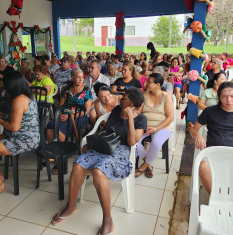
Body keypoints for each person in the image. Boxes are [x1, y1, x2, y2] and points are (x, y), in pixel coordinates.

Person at [51, 87, 147, 235]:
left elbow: (131, 142)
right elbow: (106, 130)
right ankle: (71, 206)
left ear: (133, 103)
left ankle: (108, 220)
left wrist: (131, 120)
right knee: (78, 165)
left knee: (98, 171)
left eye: (125, 97)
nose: (121, 99)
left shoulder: (141, 119)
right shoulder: (116, 110)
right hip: (105, 146)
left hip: (121, 152)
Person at [189, 82, 233, 213]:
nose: (229, 100)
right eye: (224, 97)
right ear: (219, 97)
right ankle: (217, 200)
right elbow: (193, 130)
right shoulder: (210, 111)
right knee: (203, 166)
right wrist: (198, 136)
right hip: (214, 153)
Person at [0, 71, 40, 202]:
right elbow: (16, 117)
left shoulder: (19, 100)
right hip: (17, 135)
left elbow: (14, 127)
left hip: (24, 140)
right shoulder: (26, 95)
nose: (4, 88)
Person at [135, 73, 174, 178]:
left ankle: (144, 166)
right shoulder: (144, 94)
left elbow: (170, 117)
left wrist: (156, 129)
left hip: (162, 127)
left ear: (158, 85)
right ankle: (149, 163)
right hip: (145, 127)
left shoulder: (166, 97)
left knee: (156, 143)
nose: (146, 83)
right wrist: (142, 126)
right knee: (133, 141)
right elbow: (139, 111)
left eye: (149, 82)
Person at [46, 68, 92, 143]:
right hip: (65, 115)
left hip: (79, 116)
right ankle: (52, 148)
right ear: (72, 78)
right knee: (50, 125)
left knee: (61, 128)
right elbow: (60, 105)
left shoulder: (86, 90)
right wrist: (60, 115)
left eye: (82, 77)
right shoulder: (67, 89)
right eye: (78, 77)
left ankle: (62, 150)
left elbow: (87, 110)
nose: (81, 79)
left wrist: (70, 117)